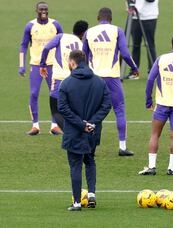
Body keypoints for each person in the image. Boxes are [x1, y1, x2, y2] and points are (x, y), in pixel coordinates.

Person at [58, 50, 112, 211]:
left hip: (74, 132)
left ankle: (76, 202)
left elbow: (63, 108)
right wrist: (93, 123)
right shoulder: (100, 82)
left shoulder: (66, 84)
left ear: (72, 63)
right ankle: (92, 195)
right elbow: (106, 105)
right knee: (90, 160)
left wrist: (82, 125)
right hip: (93, 132)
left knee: (75, 165)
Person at [83, 7, 139, 156]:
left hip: (93, 79)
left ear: (98, 18)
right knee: (119, 109)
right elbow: (125, 53)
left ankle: (90, 147)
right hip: (112, 78)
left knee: (92, 111)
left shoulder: (89, 32)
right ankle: (122, 147)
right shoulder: (117, 30)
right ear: (111, 18)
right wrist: (134, 67)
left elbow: (83, 57)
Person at [139, 35, 173, 176]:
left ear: (172, 45)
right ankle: (171, 168)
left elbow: (150, 79)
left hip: (162, 104)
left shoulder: (161, 59)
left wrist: (148, 100)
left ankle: (152, 167)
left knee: (155, 134)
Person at [19, 1, 63, 135]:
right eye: (41, 9)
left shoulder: (55, 25)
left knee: (55, 94)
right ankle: (35, 126)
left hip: (52, 65)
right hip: (36, 65)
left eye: (45, 9)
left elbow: (63, 43)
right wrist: (21, 65)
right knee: (34, 93)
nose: (43, 11)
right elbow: (23, 46)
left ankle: (54, 125)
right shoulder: (30, 26)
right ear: (36, 11)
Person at [40, 20, 89, 129]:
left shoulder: (61, 36)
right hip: (75, 80)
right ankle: (78, 130)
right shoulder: (82, 44)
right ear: (82, 33)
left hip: (59, 78)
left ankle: (68, 131)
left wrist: (42, 64)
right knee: (74, 108)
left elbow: (46, 48)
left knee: (55, 109)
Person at [126, 0, 159, 79]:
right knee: (135, 45)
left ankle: (152, 71)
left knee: (150, 45)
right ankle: (134, 72)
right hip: (134, 17)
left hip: (149, 16)